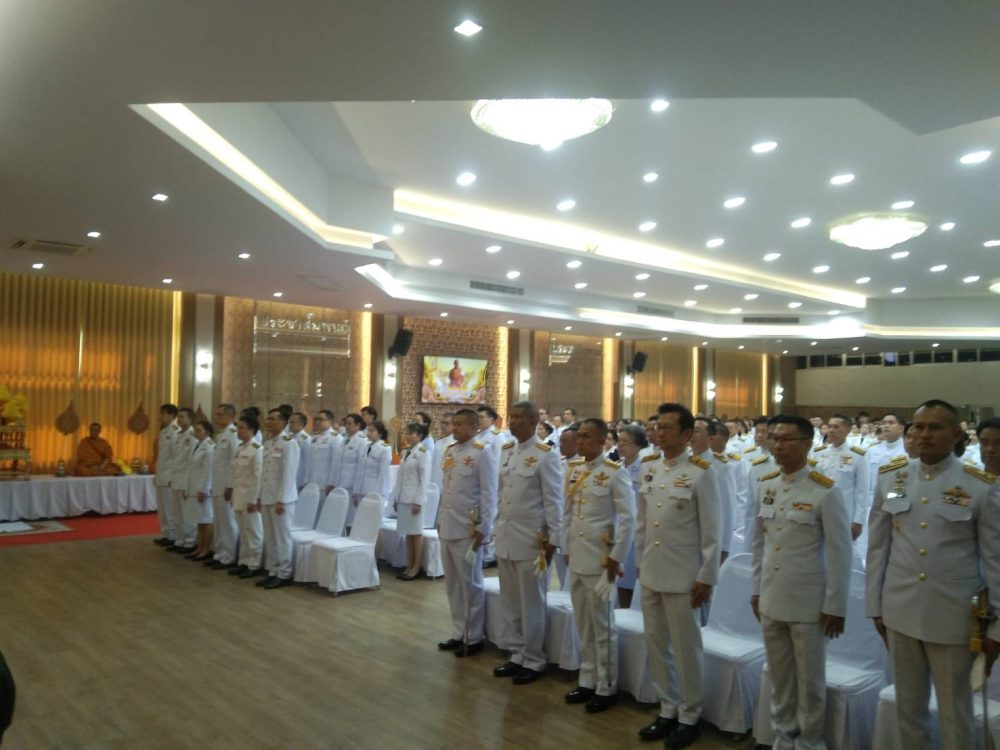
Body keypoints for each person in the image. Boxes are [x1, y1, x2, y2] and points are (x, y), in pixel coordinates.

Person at [866, 400, 1000, 750]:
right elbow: (878, 546)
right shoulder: (892, 477)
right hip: (900, 610)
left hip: (953, 616)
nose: (924, 434)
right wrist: (875, 606)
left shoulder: (979, 485)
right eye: (919, 427)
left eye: (935, 427)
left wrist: (997, 626)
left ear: (956, 434)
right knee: (907, 708)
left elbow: (995, 560)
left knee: (955, 712)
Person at [751, 414, 852, 750]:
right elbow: (759, 545)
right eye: (774, 438)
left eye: (787, 439)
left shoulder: (825, 490)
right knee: (779, 677)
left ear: (807, 444)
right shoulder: (765, 484)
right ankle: (783, 739)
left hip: (809, 603)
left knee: (810, 682)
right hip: (772, 596)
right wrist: (756, 590)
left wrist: (835, 605)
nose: (778, 446)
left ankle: (810, 742)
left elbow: (840, 553)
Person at [635, 404, 721, 748]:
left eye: (668, 427)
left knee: (686, 648)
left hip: (684, 574)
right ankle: (667, 708)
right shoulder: (649, 467)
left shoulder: (701, 472)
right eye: (658, 427)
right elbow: (643, 522)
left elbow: (712, 531)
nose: (660, 433)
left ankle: (689, 715)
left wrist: (706, 575)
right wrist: (640, 561)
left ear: (687, 434)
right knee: (656, 643)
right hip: (652, 569)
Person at [562, 418, 635, 713]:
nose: (580, 442)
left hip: (601, 559)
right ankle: (587, 678)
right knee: (583, 622)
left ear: (603, 441)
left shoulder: (615, 472)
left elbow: (628, 519)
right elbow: (568, 514)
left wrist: (616, 557)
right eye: (579, 436)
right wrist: (566, 547)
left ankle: (606, 686)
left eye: (587, 437)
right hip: (577, 557)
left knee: (603, 625)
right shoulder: (574, 470)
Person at [492, 401, 563, 685]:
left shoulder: (546, 455)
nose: (513, 422)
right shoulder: (507, 450)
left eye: (520, 417)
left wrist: (553, 539)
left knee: (531, 602)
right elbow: (502, 494)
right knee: (510, 601)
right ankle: (516, 653)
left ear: (534, 422)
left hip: (532, 541)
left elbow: (554, 501)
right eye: (511, 417)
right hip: (506, 535)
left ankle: (534, 659)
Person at [436, 408, 498, 658]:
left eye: (460, 424)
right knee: (452, 584)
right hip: (448, 525)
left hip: (468, 529)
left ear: (474, 427)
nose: (455, 428)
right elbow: (446, 490)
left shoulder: (483, 452)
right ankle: (458, 631)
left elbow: (489, 493)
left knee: (470, 584)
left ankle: (473, 637)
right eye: (454, 423)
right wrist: (439, 519)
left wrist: (484, 528)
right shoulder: (450, 451)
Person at [256, 408, 300, 589]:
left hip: (282, 499)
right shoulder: (267, 443)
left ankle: (284, 573)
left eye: (273, 419)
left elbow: (288, 474)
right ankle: (272, 570)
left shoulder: (289, 444)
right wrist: (259, 496)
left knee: (282, 537)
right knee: (270, 536)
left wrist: (281, 499)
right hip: (267, 496)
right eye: (268, 418)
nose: (269, 422)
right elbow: (263, 474)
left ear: (283, 422)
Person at [811, 414, 870, 547]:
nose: (831, 430)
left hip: (845, 512)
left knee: (844, 549)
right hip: (820, 510)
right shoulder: (819, 453)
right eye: (830, 426)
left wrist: (858, 520)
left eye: (836, 427)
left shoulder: (858, 455)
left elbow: (862, 490)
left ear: (848, 430)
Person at [690, 417, 734, 563]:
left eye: (697, 431)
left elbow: (727, 509)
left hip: (708, 538)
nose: (692, 435)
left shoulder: (721, 466)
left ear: (710, 437)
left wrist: (724, 547)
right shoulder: (683, 461)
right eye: (690, 431)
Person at [393, 423, 432, 580]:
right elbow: (400, 478)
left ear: (420, 436)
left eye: (411, 433)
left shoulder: (423, 453)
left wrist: (419, 501)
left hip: (414, 499)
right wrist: (396, 497)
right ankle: (409, 564)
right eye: (407, 433)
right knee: (408, 533)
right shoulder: (405, 452)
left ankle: (416, 567)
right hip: (403, 497)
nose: (408, 436)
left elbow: (424, 480)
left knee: (416, 533)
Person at [615, 423, 648, 609]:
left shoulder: (645, 469)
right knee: (618, 583)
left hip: (637, 534)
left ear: (638, 445)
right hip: (618, 531)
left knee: (632, 583)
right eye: (619, 441)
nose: (621, 445)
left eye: (625, 442)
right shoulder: (616, 468)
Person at [229, 416, 265, 580]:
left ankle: (254, 564)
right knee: (243, 531)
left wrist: (254, 499)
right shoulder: (241, 447)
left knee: (253, 531)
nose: (238, 431)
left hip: (249, 497)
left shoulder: (257, 449)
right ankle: (244, 561)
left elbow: (258, 477)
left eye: (242, 427)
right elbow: (236, 474)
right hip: (239, 495)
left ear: (251, 430)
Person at [207, 403, 240, 570]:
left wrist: (230, 486)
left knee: (227, 522)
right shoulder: (221, 435)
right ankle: (219, 553)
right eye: (216, 414)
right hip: (217, 484)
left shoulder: (233, 434)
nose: (216, 417)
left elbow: (235, 462)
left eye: (220, 415)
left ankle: (229, 555)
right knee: (219, 521)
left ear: (231, 417)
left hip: (226, 486)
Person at [166, 408, 196, 553]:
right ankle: (179, 540)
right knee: (176, 512)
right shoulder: (177, 435)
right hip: (176, 478)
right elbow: (174, 458)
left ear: (190, 419)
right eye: (178, 416)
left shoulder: (193, 435)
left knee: (187, 513)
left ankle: (190, 542)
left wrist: (189, 482)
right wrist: (171, 477)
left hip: (185, 479)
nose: (179, 419)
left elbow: (191, 461)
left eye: (183, 416)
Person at [185, 420, 215, 561]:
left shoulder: (209, 446)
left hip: (203, 490)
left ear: (206, 432)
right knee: (199, 519)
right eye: (195, 430)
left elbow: (208, 471)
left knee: (206, 519)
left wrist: (203, 490)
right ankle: (199, 546)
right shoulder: (197, 445)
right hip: (194, 487)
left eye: (199, 430)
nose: (196, 433)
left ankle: (206, 549)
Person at [153, 403, 180, 546]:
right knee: (162, 508)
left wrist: (172, 476)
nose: (160, 416)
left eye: (163, 414)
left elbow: (176, 457)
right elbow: (161, 457)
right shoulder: (163, 431)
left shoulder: (175, 431)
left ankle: (173, 536)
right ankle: (166, 534)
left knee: (170, 508)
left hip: (169, 476)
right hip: (161, 475)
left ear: (171, 415)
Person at [356, 420, 392, 517]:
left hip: (375, 490)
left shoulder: (385, 449)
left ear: (380, 433)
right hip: (362, 490)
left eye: (372, 431)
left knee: (373, 520)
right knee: (361, 519)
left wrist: (376, 494)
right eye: (368, 430)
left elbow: (383, 474)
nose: (369, 433)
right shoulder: (366, 447)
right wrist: (356, 491)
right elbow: (360, 471)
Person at [338, 413, 366, 523]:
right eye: (346, 423)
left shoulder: (362, 440)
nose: (346, 426)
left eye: (349, 423)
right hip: (342, 482)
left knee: (352, 518)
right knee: (342, 516)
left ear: (358, 425)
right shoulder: (345, 439)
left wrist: (357, 489)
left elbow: (361, 466)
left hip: (352, 484)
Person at [307, 410, 343, 495]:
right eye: (316, 419)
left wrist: (332, 483)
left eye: (320, 419)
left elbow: (336, 462)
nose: (317, 422)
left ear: (330, 421)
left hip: (324, 483)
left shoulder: (336, 438)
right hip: (311, 480)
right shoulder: (315, 437)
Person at [289, 412, 311, 489]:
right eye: (289, 422)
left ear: (301, 424)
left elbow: (308, 461)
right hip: (290, 473)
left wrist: (305, 480)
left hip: (299, 475)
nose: (290, 425)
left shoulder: (306, 439)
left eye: (292, 422)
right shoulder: (290, 437)